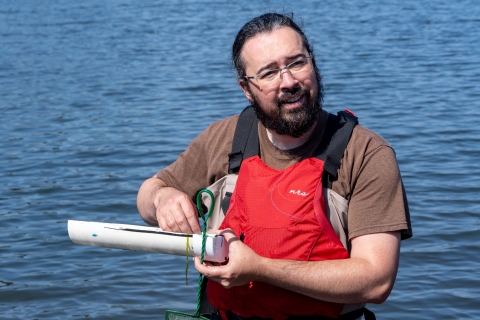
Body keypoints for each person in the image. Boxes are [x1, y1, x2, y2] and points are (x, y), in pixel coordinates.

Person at [137, 12, 412, 320]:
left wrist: (260, 269)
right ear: (246, 88)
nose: (289, 82)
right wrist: (163, 199)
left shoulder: (366, 153)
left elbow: (377, 281)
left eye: (297, 62)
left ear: (313, 61)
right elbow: (148, 194)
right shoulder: (222, 139)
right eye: (269, 73)